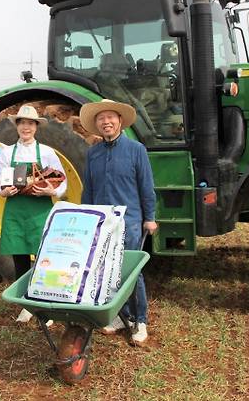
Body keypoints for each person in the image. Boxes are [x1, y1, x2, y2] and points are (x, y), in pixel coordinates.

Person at [79, 99, 157, 344]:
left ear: (120, 121)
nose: (106, 122)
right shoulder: (93, 153)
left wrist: (150, 218)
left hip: (130, 221)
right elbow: (88, 190)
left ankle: (139, 319)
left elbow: (146, 187)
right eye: (101, 119)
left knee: (131, 272)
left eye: (110, 117)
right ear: (97, 125)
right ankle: (120, 316)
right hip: (103, 222)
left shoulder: (136, 150)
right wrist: (87, 217)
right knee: (106, 271)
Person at [0, 105, 67, 322]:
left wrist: (51, 191)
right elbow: (0, 183)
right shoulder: (7, 152)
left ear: (36, 127)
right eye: (22, 123)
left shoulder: (46, 152)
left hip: (39, 210)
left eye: (30, 123)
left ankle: (45, 305)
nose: (26, 127)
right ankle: (26, 305)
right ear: (17, 126)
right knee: (19, 257)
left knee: (43, 257)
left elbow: (62, 181)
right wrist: (4, 191)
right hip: (16, 210)